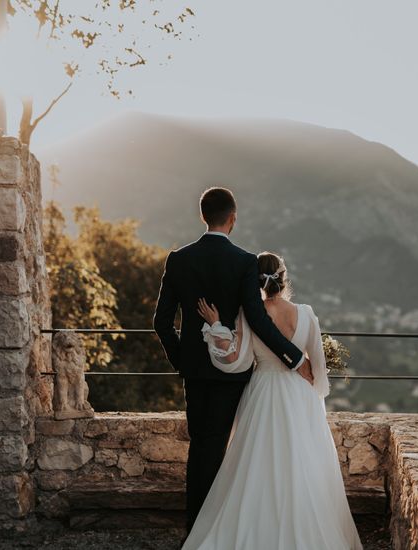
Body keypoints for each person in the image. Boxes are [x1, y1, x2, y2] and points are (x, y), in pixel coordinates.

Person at [153, 187, 315, 533]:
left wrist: (182, 360)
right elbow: (256, 318)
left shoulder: (179, 260)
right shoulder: (244, 261)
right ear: (233, 218)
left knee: (201, 447)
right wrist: (293, 355)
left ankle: (196, 527)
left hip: (195, 372)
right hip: (234, 373)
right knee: (225, 448)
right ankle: (219, 528)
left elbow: (161, 322)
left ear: (203, 216)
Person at [182, 251, 362, 550]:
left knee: (256, 464)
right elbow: (318, 366)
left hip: (263, 391)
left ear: (256, 281)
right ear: (284, 277)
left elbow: (235, 359)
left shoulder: (251, 314)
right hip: (300, 394)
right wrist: (313, 396)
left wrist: (215, 325)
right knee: (304, 464)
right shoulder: (306, 313)